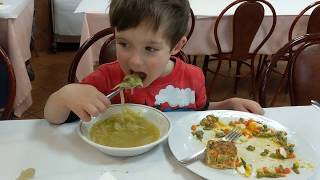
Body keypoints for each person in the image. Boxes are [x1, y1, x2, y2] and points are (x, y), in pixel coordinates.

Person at [44, 0, 264, 124]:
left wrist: (226, 106)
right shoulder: (105, 78)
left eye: (150, 48)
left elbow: (198, 112)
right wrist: (65, 96)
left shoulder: (193, 77)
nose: (135, 60)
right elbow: (55, 119)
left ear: (176, 47)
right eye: (124, 44)